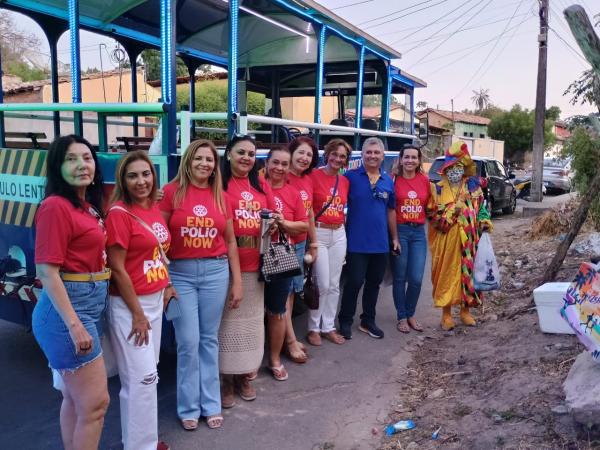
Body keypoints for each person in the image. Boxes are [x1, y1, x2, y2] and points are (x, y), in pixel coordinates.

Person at [32, 135, 110, 450]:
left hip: (88, 302)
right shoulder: (55, 207)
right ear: (57, 166)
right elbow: (47, 272)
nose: (81, 165)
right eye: (71, 159)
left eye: (87, 158)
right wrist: (74, 324)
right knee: (95, 404)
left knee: (75, 399)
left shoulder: (85, 206)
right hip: (69, 310)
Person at [160, 140, 242, 430]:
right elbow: (159, 239)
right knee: (188, 341)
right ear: (188, 161)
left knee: (209, 340)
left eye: (209, 160)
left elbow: (231, 241)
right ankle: (188, 407)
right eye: (199, 158)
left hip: (215, 272)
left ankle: (211, 404)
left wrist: (237, 282)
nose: (204, 164)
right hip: (180, 273)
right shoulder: (170, 193)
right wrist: (165, 280)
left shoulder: (222, 196)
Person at [105, 150, 173, 450]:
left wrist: (166, 284)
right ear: (123, 179)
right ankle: (140, 445)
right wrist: (136, 313)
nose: (141, 181)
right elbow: (117, 268)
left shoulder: (153, 207)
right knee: (142, 378)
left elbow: (157, 251)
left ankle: (142, 440)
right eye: (133, 175)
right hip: (131, 305)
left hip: (155, 299)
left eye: (146, 174)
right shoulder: (120, 214)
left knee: (145, 377)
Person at [219, 134, 274, 406]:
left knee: (252, 323)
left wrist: (275, 222)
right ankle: (226, 379)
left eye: (251, 154)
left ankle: (244, 376)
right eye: (241, 152)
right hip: (226, 264)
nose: (246, 158)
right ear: (229, 153)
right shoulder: (217, 183)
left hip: (256, 263)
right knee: (226, 324)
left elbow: (274, 213)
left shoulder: (261, 185)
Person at [338, 137, 399, 340]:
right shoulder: (350, 177)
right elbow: (337, 203)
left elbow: (391, 211)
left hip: (380, 243)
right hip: (356, 242)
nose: (372, 156)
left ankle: (368, 321)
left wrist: (395, 238)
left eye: (376, 152)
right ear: (362, 155)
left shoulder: (388, 180)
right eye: (368, 152)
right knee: (354, 282)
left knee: (374, 283)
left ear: (383, 156)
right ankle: (345, 321)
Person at [427, 141, 492, 330]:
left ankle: (465, 311)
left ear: (464, 168)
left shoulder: (473, 187)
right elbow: (435, 217)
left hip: (470, 239)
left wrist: (484, 221)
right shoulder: (437, 189)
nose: (455, 171)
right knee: (446, 275)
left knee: (469, 274)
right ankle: (446, 315)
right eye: (451, 167)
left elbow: (482, 210)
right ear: (445, 170)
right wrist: (457, 205)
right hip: (446, 241)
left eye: (458, 167)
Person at [264, 146, 308, 380]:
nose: (279, 168)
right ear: (267, 163)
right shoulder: (256, 187)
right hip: (251, 253)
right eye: (275, 163)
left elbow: (303, 226)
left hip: (281, 252)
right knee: (250, 311)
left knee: (278, 310)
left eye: (284, 164)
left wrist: (283, 223)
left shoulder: (292, 193)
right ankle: (249, 361)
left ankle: (274, 359)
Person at [307, 138, 351, 346]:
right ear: (327, 154)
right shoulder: (313, 176)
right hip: (319, 233)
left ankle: (328, 327)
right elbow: (307, 209)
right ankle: (313, 327)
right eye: (334, 154)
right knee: (322, 283)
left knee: (334, 284)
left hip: (339, 233)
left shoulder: (344, 181)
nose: (337, 158)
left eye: (342, 156)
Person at [285, 136, 320, 363]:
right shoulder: (281, 176)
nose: (305, 158)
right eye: (301, 152)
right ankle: (289, 341)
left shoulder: (307, 180)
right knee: (285, 295)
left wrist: (313, 243)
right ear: (291, 153)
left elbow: (309, 214)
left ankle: (288, 338)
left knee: (290, 295)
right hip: (284, 246)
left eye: (309, 155)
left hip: (300, 244)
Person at [391, 144, 430, 333]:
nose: (410, 161)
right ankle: (402, 316)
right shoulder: (393, 180)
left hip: (418, 233)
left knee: (416, 278)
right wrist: (394, 237)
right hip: (401, 231)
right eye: (406, 157)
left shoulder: (425, 180)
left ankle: (411, 313)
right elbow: (389, 210)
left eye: (414, 157)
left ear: (419, 160)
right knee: (400, 277)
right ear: (400, 159)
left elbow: (431, 207)